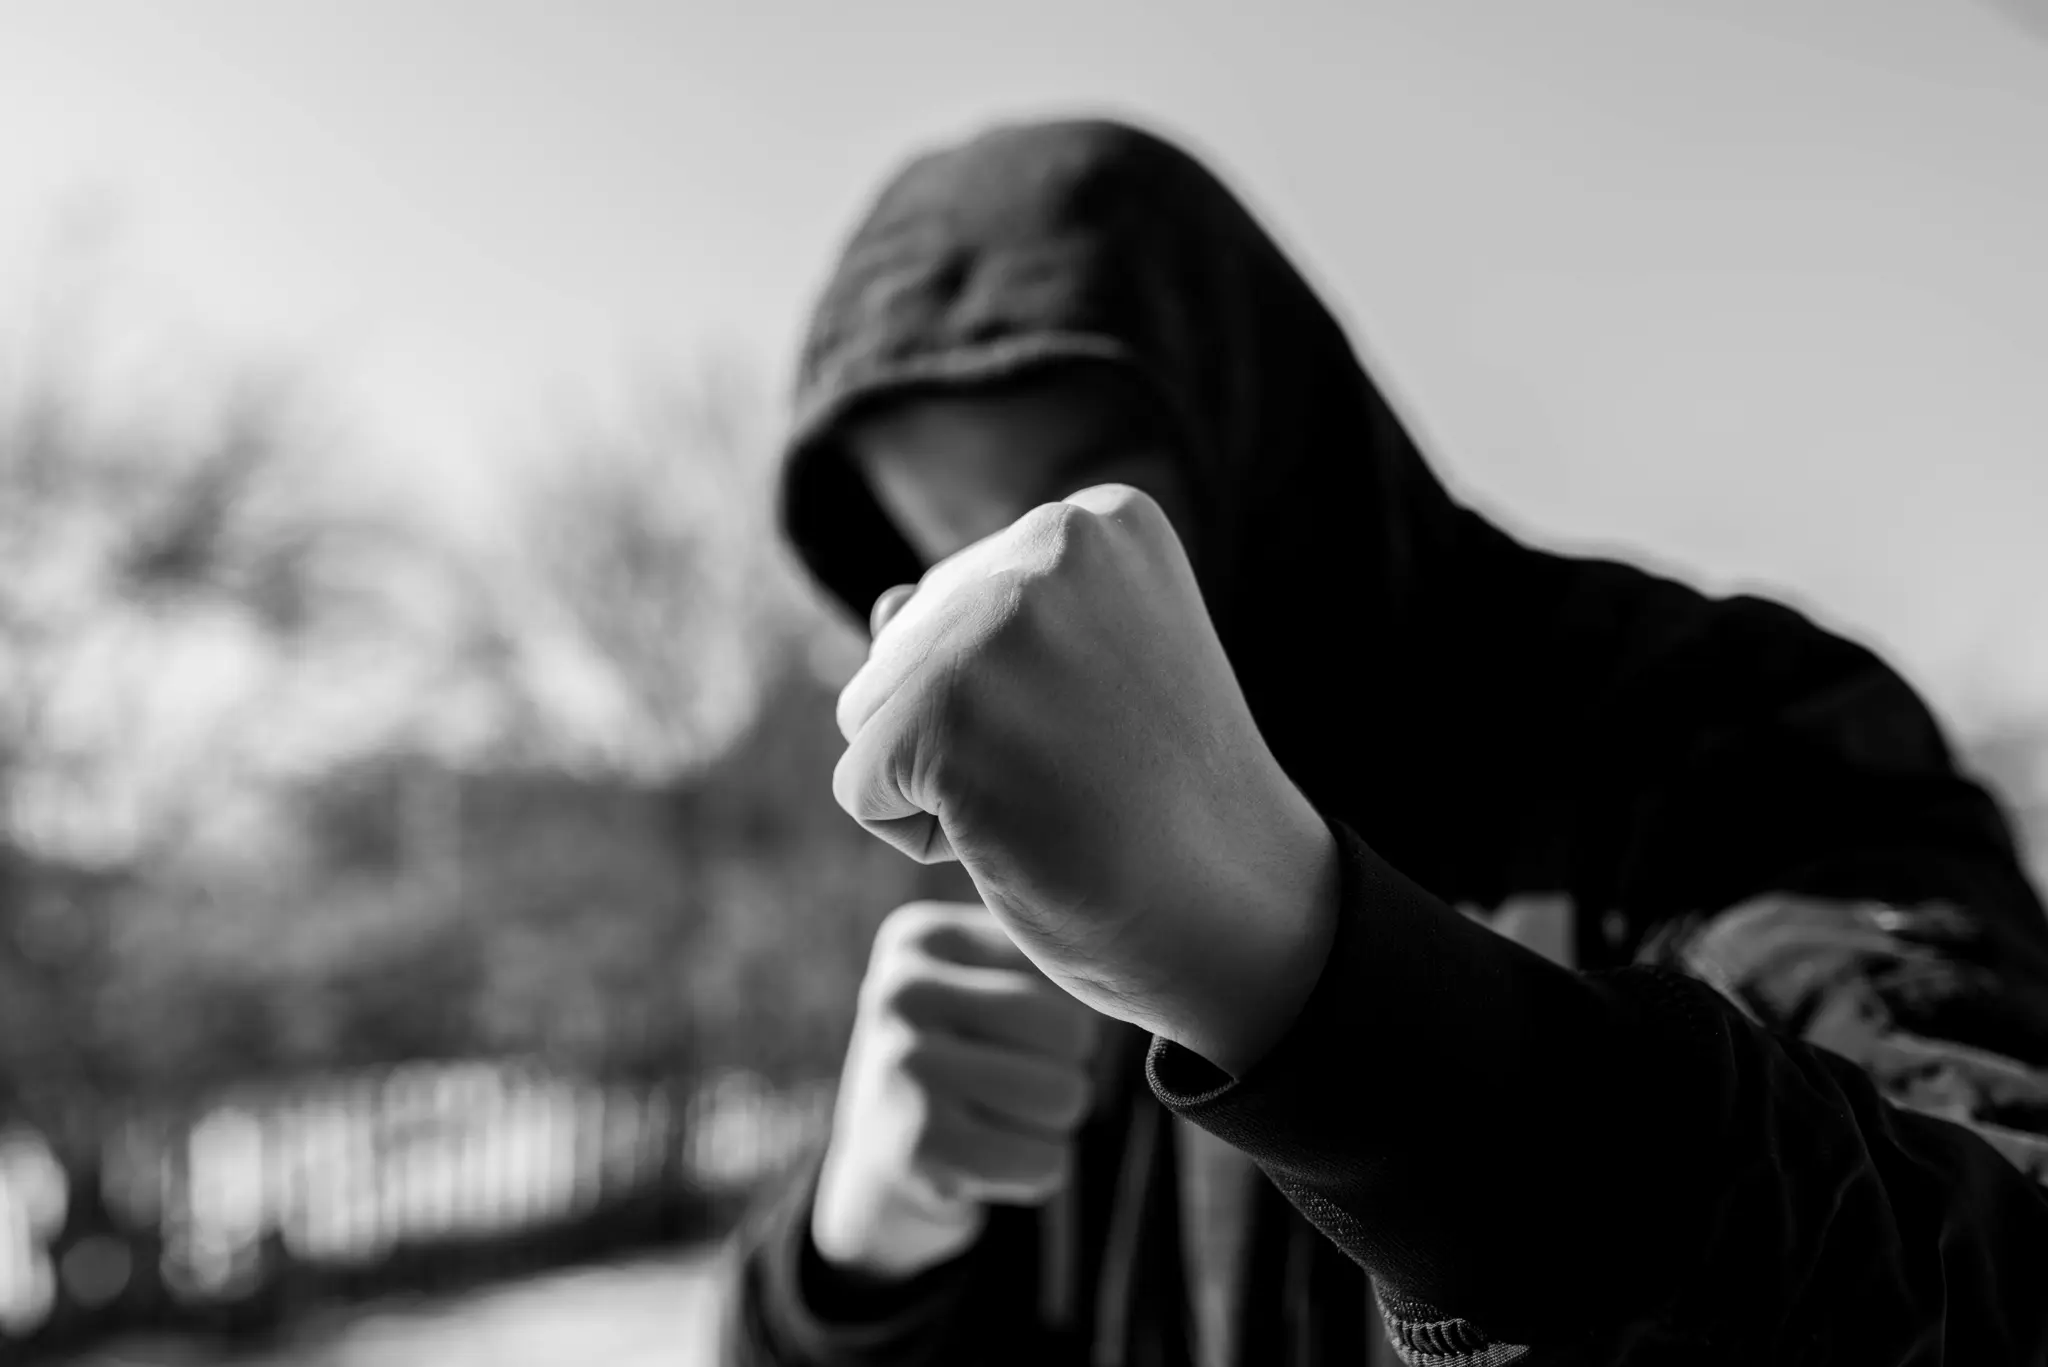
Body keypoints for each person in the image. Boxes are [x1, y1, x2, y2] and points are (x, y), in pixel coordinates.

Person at [721, 117, 2048, 1366]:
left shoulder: (1719, 724)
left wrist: (1310, 974)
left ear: (1268, 425)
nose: (1021, 611)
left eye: (1088, 507)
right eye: (948, 553)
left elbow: (1993, 1278)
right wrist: (861, 1263)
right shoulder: (1027, 894)